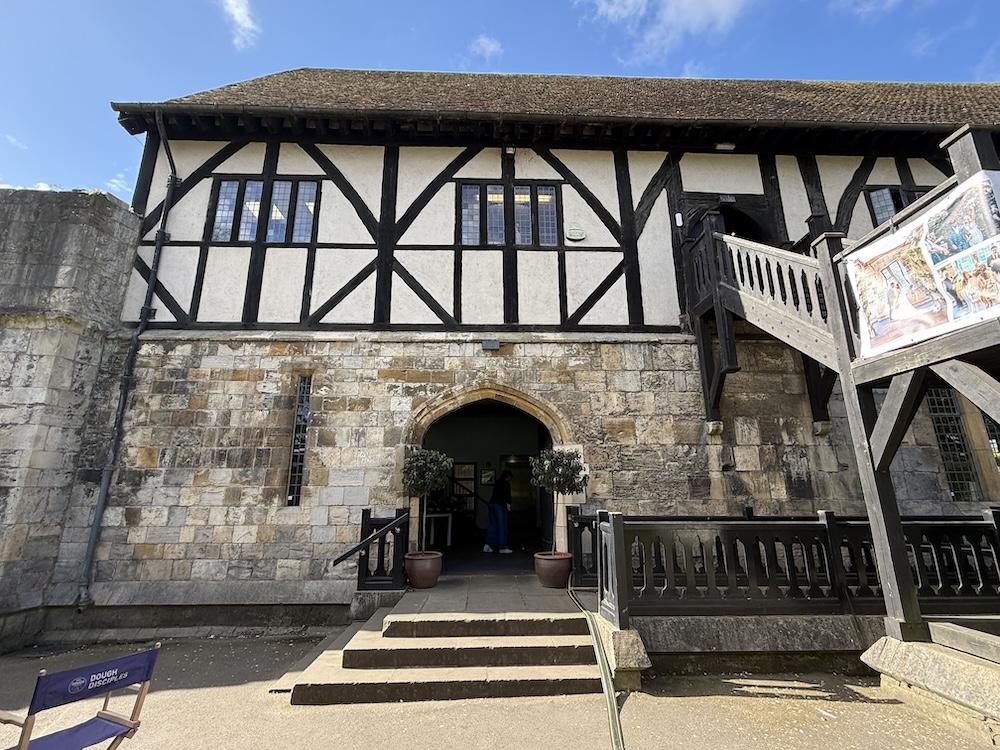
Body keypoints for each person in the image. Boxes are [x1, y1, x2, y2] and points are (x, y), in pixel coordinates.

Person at [484, 469, 513, 554]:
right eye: (510, 478)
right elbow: (507, 495)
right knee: (502, 526)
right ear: (508, 476)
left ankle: (488, 545)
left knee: (492, 525)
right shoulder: (506, 483)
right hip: (500, 506)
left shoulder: (497, 482)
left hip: (492, 504)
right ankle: (502, 547)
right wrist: (508, 504)